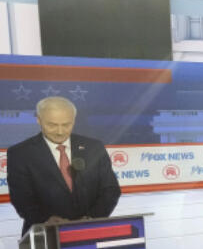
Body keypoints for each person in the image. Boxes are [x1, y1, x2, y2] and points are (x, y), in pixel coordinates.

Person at [6, 96, 120, 235]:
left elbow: (110, 189)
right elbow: (21, 198)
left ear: (74, 120)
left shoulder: (94, 147)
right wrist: (46, 220)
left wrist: (91, 218)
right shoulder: (20, 153)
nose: (60, 131)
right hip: (44, 235)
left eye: (66, 124)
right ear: (39, 120)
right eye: (52, 125)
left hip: (91, 232)